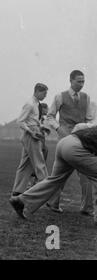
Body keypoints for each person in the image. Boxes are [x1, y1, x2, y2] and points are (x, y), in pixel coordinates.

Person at [9, 122, 97, 225]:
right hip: (76, 147)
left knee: (54, 180)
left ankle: (21, 201)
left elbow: (79, 127)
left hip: (65, 142)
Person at [46, 70, 94, 215]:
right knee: (59, 174)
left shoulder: (86, 98)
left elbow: (90, 119)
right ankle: (53, 203)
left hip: (81, 140)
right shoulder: (60, 96)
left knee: (86, 175)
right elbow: (50, 116)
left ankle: (87, 208)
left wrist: (86, 128)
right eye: (79, 81)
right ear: (71, 81)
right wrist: (59, 129)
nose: (81, 84)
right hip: (65, 140)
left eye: (83, 81)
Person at [11, 83, 49, 196]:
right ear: (37, 91)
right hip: (31, 135)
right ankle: (46, 189)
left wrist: (42, 128)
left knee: (25, 164)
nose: (45, 96)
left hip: (34, 132)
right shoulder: (29, 104)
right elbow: (20, 121)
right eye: (44, 93)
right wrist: (31, 132)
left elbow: (33, 121)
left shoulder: (37, 104)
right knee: (39, 162)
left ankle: (17, 191)